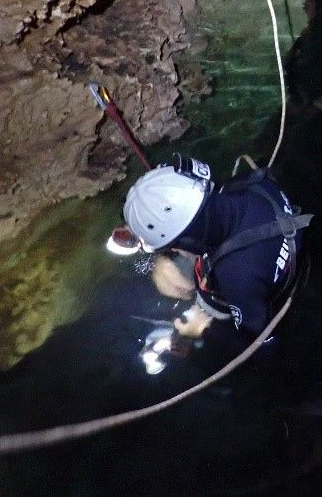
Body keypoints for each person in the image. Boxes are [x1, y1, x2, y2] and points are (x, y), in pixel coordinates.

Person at [119, 155, 311, 365]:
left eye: (174, 245)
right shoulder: (247, 184)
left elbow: (263, 345)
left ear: (188, 239)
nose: (174, 250)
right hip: (268, 237)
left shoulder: (238, 279)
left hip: (260, 285)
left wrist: (202, 334)